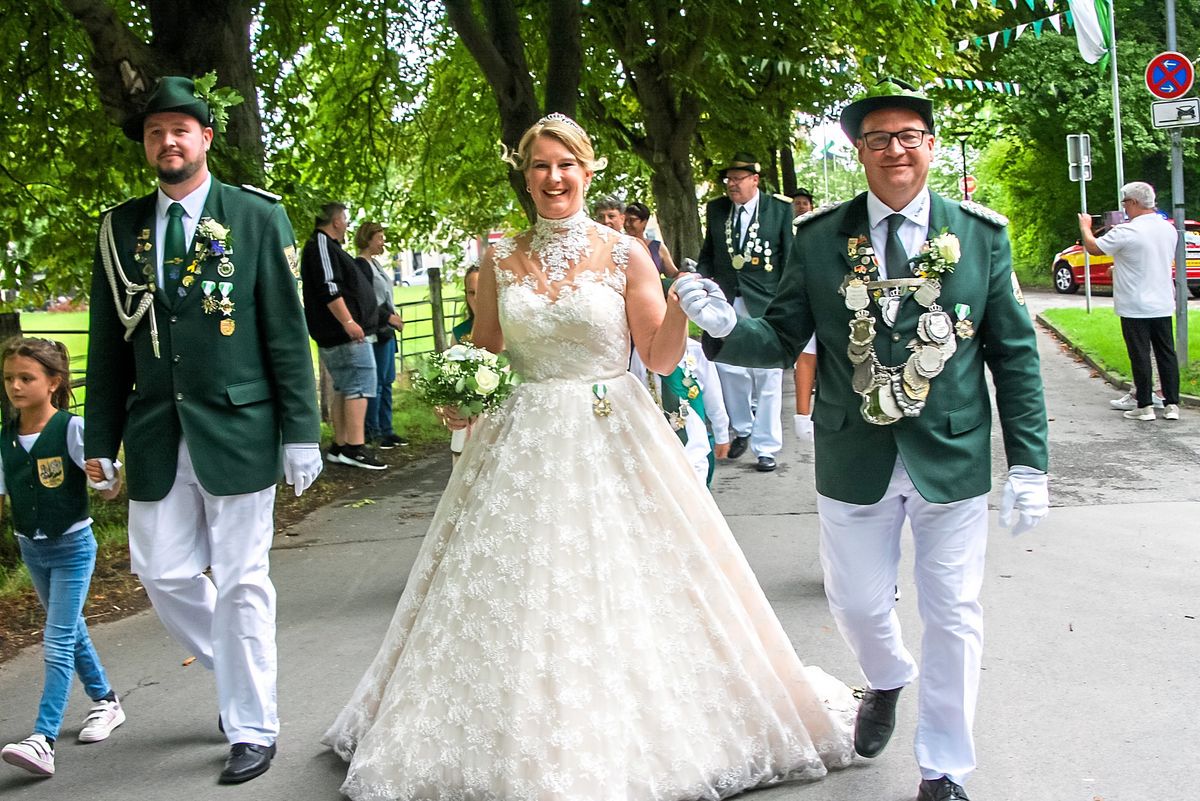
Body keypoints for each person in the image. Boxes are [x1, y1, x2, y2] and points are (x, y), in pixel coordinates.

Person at [323, 113, 856, 800]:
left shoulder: (624, 252)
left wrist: (682, 307)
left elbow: (658, 356)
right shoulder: (501, 257)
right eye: (540, 165)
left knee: (631, 578)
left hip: (612, 428)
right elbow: (487, 348)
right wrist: (462, 393)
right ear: (526, 173)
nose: (553, 178)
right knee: (513, 588)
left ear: (588, 168)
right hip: (520, 440)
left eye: (566, 164)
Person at [678, 79, 1050, 801]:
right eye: (878, 138)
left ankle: (944, 769)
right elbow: (782, 334)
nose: (895, 150)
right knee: (854, 603)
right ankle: (886, 676)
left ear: (931, 146)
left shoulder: (980, 235)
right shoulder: (821, 239)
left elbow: (1013, 352)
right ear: (859, 151)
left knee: (953, 610)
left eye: (909, 135)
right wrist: (724, 328)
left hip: (953, 451)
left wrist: (1030, 461)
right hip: (855, 453)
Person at [84, 75, 323, 784]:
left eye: (180, 129)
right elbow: (105, 343)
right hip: (156, 428)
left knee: (245, 579)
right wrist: (100, 440)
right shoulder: (120, 228)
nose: (168, 141)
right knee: (159, 570)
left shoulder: (254, 217)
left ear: (206, 138)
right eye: (156, 132)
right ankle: (241, 670)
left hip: (241, 426)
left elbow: (286, 328)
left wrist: (302, 429)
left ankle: (253, 723)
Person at [0, 338, 125, 777]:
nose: (16, 386)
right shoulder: (5, 437)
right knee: (70, 632)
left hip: (72, 547)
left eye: (26, 378)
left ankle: (43, 739)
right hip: (31, 547)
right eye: (10, 377)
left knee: (55, 641)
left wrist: (106, 476)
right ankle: (107, 702)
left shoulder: (73, 429)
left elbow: (109, 489)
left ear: (53, 383)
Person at [697, 152, 793, 473]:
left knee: (768, 375)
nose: (732, 185)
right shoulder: (716, 210)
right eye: (728, 180)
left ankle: (766, 447)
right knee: (728, 368)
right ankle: (744, 428)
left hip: (766, 302)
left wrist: (787, 303)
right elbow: (708, 253)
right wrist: (704, 285)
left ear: (755, 179)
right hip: (725, 299)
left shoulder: (779, 210)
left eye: (738, 179)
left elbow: (790, 262)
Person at [1077, 182, 1181, 421]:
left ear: (1134, 202)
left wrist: (1086, 228)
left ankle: (1144, 405)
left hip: (1135, 304)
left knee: (1140, 353)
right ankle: (1172, 404)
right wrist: (1121, 267)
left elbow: (1094, 248)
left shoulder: (1128, 231)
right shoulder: (1168, 229)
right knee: (1167, 353)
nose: (1124, 208)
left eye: (1125, 203)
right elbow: (1148, 259)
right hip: (1162, 300)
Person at [301, 203, 386, 469]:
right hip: (343, 334)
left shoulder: (326, 247)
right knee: (359, 386)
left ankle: (340, 445)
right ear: (336, 221)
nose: (347, 224)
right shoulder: (322, 246)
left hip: (339, 333)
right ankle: (354, 448)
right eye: (345, 219)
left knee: (344, 387)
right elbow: (329, 287)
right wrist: (348, 321)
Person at [629, 337, 730, 488]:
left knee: (696, 482)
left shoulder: (695, 350)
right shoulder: (641, 353)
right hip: (658, 435)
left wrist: (721, 434)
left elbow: (713, 395)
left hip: (693, 436)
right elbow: (636, 391)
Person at [354, 221, 408, 449]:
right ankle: (373, 430)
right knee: (375, 383)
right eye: (380, 238)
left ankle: (387, 430)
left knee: (386, 381)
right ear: (368, 239)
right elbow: (367, 300)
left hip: (386, 331)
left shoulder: (376, 263)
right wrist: (389, 317)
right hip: (376, 330)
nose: (383, 242)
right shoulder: (361, 265)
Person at [624, 200, 680, 278]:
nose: (627, 224)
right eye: (625, 220)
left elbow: (673, 274)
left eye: (631, 220)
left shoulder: (658, 247)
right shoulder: (619, 246)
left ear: (644, 222)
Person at [450, 262, 480, 345]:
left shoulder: (506, 330)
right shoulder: (459, 333)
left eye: (481, 291)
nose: (476, 298)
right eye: (471, 292)